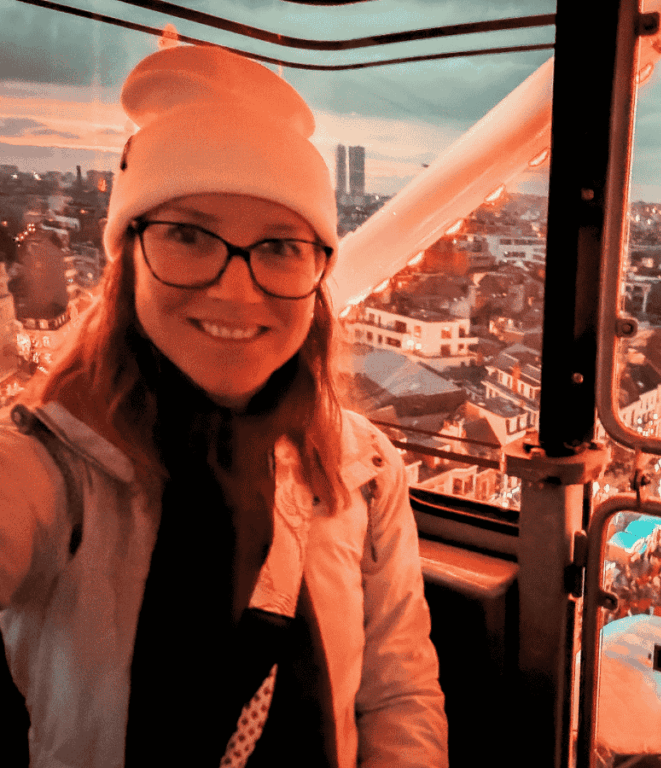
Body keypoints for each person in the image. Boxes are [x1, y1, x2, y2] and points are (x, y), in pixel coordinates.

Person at [0, 43, 447, 767]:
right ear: (128, 258)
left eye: (278, 246)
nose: (236, 289)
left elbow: (399, 697)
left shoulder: (363, 464)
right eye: (188, 235)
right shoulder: (53, 465)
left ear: (317, 270)